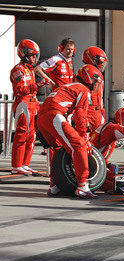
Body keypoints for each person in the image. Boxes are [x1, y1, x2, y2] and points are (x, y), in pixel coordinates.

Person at [37, 64, 103, 199]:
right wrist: (84, 137)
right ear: (91, 79)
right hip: (54, 114)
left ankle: (55, 185)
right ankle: (83, 186)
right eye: (96, 82)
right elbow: (80, 116)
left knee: (57, 149)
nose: (96, 86)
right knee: (78, 145)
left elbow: (66, 113)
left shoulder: (69, 86)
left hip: (41, 118)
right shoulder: (83, 90)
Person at [10, 39, 49, 175]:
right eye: (32, 55)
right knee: (22, 134)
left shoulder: (30, 70)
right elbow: (21, 89)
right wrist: (39, 85)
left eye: (35, 55)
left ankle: (25, 164)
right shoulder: (18, 69)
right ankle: (16, 165)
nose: (34, 58)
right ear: (24, 54)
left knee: (31, 136)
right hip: (23, 104)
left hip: (33, 103)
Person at [82, 46, 108, 132]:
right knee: (86, 139)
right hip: (89, 110)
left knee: (101, 138)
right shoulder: (87, 70)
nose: (103, 64)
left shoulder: (96, 72)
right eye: (101, 61)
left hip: (98, 110)